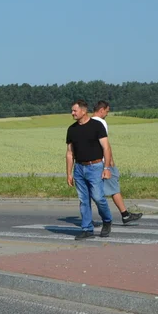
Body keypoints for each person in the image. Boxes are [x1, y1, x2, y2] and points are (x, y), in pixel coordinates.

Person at [65, 99, 114, 240]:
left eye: (74, 110)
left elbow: (106, 147)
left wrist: (107, 167)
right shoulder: (72, 129)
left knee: (98, 197)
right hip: (79, 168)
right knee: (83, 200)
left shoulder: (96, 126)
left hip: (96, 167)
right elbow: (69, 153)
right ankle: (87, 229)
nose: (72, 113)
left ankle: (107, 220)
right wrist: (69, 173)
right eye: (72, 110)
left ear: (83, 111)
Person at [91, 101, 143, 225]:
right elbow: (105, 144)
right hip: (103, 162)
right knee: (114, 187)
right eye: (107, 111)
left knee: (93, 191)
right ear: (102, 110)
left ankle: (89, 218)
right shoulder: (101, 122)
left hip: (93, 163)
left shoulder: (89, 122)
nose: (107, 114)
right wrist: (110, 162)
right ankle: (124, 215)